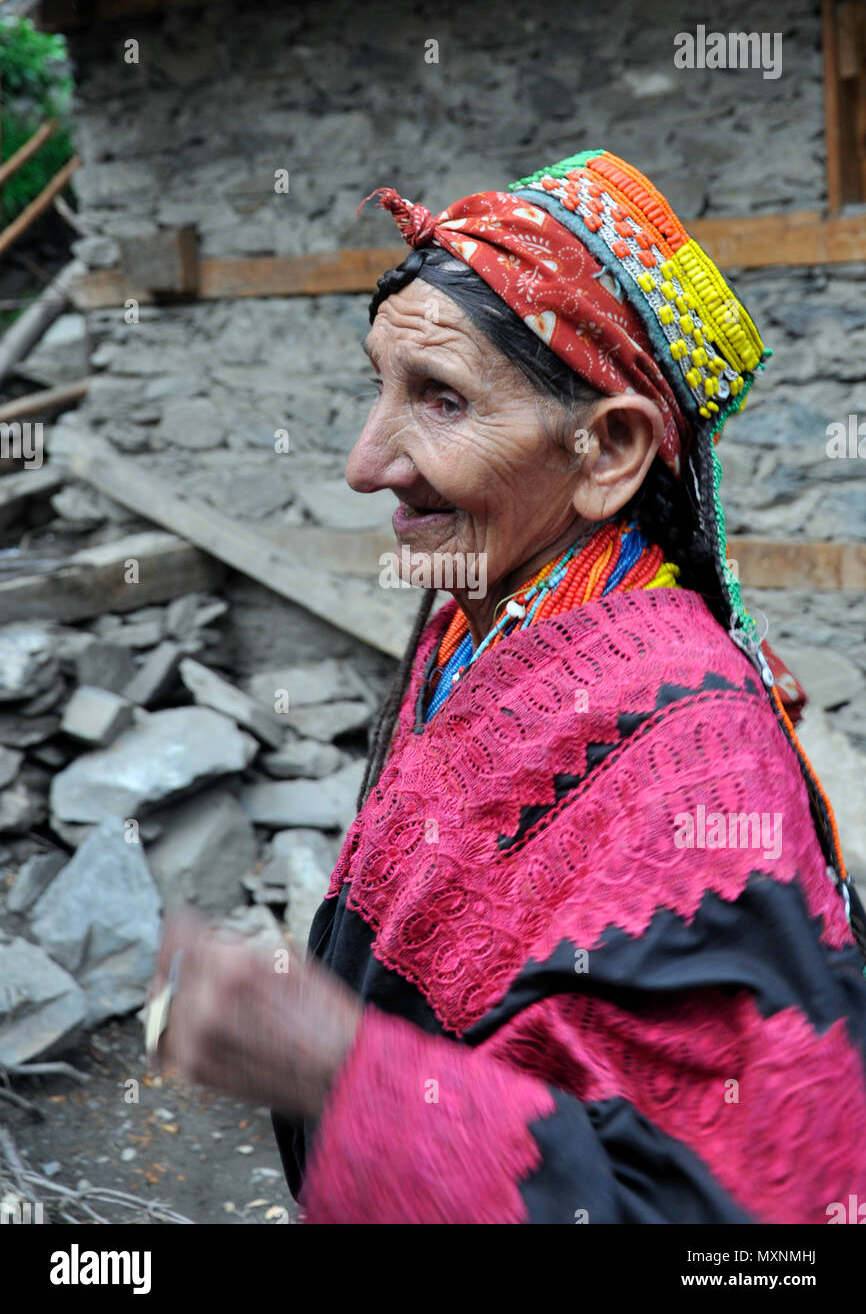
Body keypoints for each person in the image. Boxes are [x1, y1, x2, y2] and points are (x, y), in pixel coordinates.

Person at [150, 149, 866, 1223]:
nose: (362, 462)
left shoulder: (698, 770)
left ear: (607, 449)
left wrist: (342, 1072)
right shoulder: (475, 616)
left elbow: (745, 1220)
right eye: (376, 387)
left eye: (439, 400)